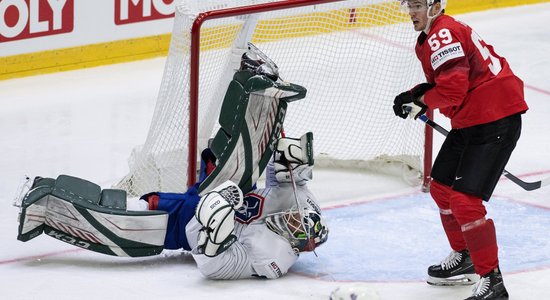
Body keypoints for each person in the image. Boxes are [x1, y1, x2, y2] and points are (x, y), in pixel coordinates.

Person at [392, 0, 528, 299]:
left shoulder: (443, 34)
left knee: (465, 202)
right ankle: (466, 256)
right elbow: (448, 85)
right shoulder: (432, 35)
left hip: (495, 118)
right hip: (472, 119)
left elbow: (453, 90)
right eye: (408, 5)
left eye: (417, 5)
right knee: (441, 189)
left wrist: (423, 100)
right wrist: (418, 95)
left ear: (436, 6)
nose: (411, 12)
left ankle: (492, 280)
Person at [133, 139, 328, 279]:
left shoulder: (271, 259)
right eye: (296, 217)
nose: (291, 217)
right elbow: (283, 177)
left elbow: (215, 268)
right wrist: (286, 156)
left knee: (157, 204)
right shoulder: (304, 202)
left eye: (295, 224)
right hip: (238, 191)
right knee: (219, 152)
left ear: (297, 243)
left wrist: (214, 237)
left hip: (198, 221)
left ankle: (132, 210)